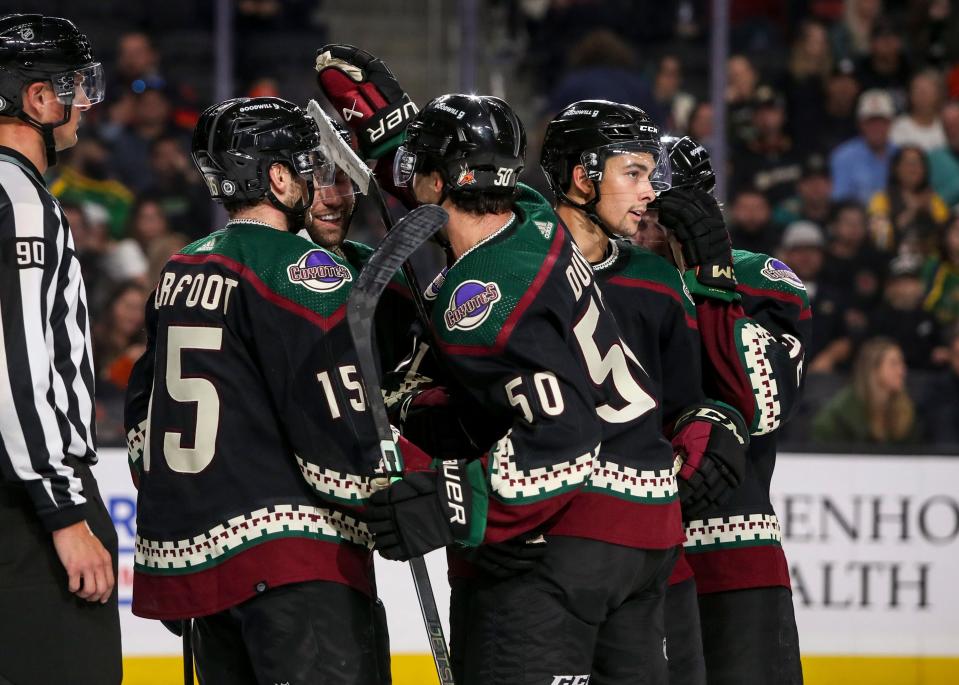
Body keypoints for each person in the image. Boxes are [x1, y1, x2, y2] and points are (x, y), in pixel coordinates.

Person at [317, 45, 685, 684]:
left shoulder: (478, 304)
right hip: (647, 533)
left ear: (435, 181)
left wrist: (455, 499)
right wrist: (396, 142)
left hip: (568, 540)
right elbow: (455, 197)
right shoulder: (538, 224)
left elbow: (565, 438)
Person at [123, 97, 406, 684]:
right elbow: (335, 417)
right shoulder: (301, 267)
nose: (315, 183)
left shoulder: (182, 266)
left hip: (205, 571)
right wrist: (404, 490)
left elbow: (142, 422)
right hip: (297, 566)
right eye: (306, 166)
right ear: (277, 177)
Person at [542, 110, 750, 685]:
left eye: (650, 175)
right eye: (633, 173)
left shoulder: (656, 283)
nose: (649, 192)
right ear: (584, 176)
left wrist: (709, 429)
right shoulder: (518, 267)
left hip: (639, 554)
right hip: (538, 556)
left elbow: (691, 402)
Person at [635, 135, 809, 685]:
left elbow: (760, 406)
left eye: (660, 210)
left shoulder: (765, 281)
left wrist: (710, 278)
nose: (646, 223)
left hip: (733, 548)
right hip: (626, 550)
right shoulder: (601, 282)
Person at [0, 13, 121, 685]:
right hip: (25, 503)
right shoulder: (17, 199)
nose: (82, 103)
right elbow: (13, 364)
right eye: (72, 85)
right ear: (37, 99)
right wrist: (65, 508)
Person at [812, 337, 919, 445]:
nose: (902, 371)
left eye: (901, 363)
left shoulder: (905, 410)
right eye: (894, 364)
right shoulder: (841, 413)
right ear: (873, 369)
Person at [867, 145, 950, 255]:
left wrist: (930, 212)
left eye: (918, 164)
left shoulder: (933, 199)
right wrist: (910, 212)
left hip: (928, 259)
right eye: (909, 164)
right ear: (896, 168)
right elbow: (881, 240)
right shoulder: (881, 198)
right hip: (892, 258)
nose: (914, 169)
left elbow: (949, 236)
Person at [830, 88, 897, 205]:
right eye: (870, 122)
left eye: (881, 121)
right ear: (860, 124)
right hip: (856, 220)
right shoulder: (843, 156)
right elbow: (840, 202)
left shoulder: (899, 154)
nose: (876, 127)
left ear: (890, 123)